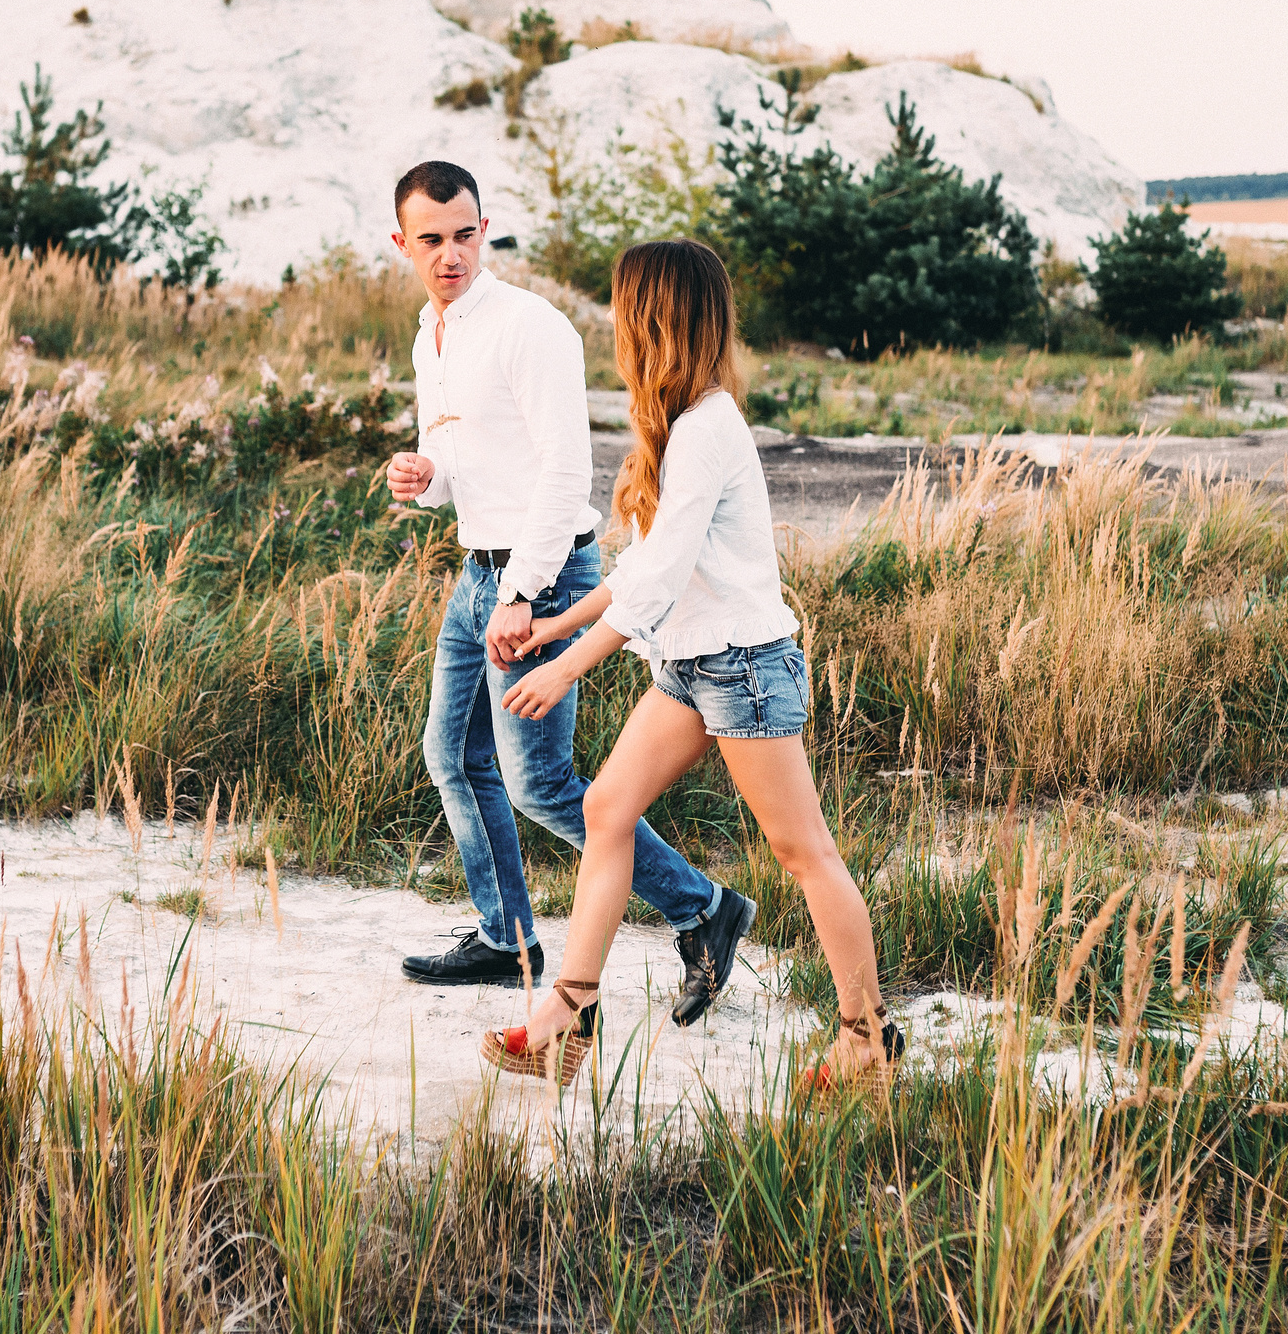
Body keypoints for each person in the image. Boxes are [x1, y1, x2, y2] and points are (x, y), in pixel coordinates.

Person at [481, 238, 901, 1093]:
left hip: (744, 670)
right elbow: (643, 563)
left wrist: (568, 668)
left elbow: (662, 580)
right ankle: (568, 1015)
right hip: (690, 668)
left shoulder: (707, 430)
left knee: (804, 852)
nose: (616, 330)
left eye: (625, 311)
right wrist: (557, 622)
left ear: (653, 320)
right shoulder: (675, 425)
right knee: (606, 806)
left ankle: (867, 1040)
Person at [381, 161, 757, 1024]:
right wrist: (427, 476)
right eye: (431, 240)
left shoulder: (530, 326)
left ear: (486, 228)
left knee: (540, 783)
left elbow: (564, 472)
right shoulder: (428, 337)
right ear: (402, 243)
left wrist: (522, 593)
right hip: (480, 570)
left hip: (541, 573)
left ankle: (704, 907)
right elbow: (473, 464)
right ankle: (504, 935)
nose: (451, 255)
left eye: (465, 234)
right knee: (454, 756)